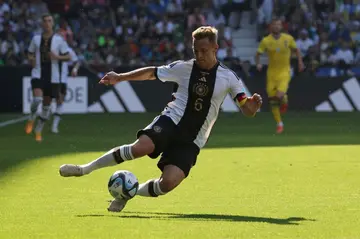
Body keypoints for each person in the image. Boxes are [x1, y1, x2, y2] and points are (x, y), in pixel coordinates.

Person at [59, 26, 263, 212]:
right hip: (171, 121)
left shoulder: (230, 78)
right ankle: (84, 169)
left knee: (167, 184)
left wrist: (252, 107)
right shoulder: (184, 68)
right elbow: (151, 73)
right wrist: (120, 77)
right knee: (140, 147)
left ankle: (129, 192)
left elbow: (246, 108)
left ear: (216, 48)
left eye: (204, 51)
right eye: (196, 51)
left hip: (193, 139)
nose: (199, 55)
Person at [25, 14, 71, 141]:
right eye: (44, 21)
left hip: (53, 78)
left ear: (52, 23)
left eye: (49, 21)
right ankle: (31, 118)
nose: (47, 23)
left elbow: (68, 56)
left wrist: (57, 57)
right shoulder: (35, 39)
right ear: (41, 23)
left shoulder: (59, 40)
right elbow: (30, 53)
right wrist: (31, 59)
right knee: (37, 99)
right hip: (38, 73)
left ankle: (38, 129)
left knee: (46, 107)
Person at [255, 17, 304, 134]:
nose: (276, 27)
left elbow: (296, 50)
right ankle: (279, 123)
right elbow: (258, 54)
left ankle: (284, 100)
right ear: (270, 27)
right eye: (274, 25)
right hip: (271, 73)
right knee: (272, 100)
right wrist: (258, 64)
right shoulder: (266, 41)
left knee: (279, 95)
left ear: (281, 27)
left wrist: (300, 62)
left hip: (284, 72)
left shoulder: (288, 38)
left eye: (278, 25)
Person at [51, 46, 80, 133]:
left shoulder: (68, 50)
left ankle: (54, 126)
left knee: (60, 102)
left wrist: (74, 69)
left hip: (63, 79)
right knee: (51, 99)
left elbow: (77, 62)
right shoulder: (51, 48)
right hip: (52, 79)